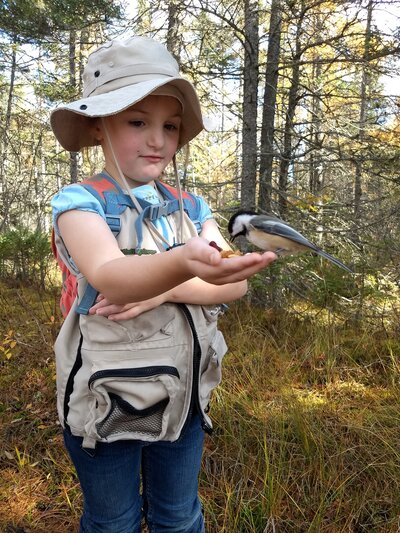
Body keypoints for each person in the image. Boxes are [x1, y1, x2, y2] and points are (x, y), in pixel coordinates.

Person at [50, 35, 276, 533]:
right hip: (105, 400)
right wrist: (184, 264)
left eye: (170, 126)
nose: (158, 140)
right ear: (96, 125)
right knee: (114, 520)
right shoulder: (79, 204)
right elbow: (111, 274)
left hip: (184, 397)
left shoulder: (191, 208)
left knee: (178, 515)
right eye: (137, 121)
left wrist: (168, 288)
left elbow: (230, 285)